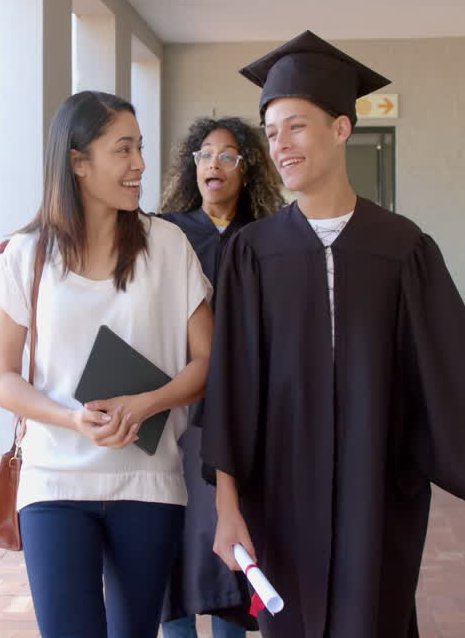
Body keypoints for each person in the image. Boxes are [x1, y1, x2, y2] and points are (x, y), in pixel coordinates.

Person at [201, 30, 465, 637]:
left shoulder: (402, 247)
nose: (281, 146)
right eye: (271, 135)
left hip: (375, 486)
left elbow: (446, 372)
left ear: (342, 128)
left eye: (296, 127)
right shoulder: (252, 252)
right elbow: (231, 387)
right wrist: (226, 507)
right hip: (283, 491)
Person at [0, 90, 215, 638]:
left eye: (139, 149)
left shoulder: (168, 246)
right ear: (78, 161)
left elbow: (209, 359)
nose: (139, 165)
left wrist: (148, 403)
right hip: (54, 481)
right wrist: (71, 418)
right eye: (123, 150)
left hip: (148, 482)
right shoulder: (27, 254)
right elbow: (2, 378)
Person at [157, 116, 285, 638]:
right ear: (194, 166)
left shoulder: (269, 239)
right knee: (178, 545)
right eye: (205, 154)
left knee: (232, 545)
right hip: (181, 409)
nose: (214, 163)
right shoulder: (165, 234)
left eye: (227, 155)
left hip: (245, 412)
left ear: (246, 167)